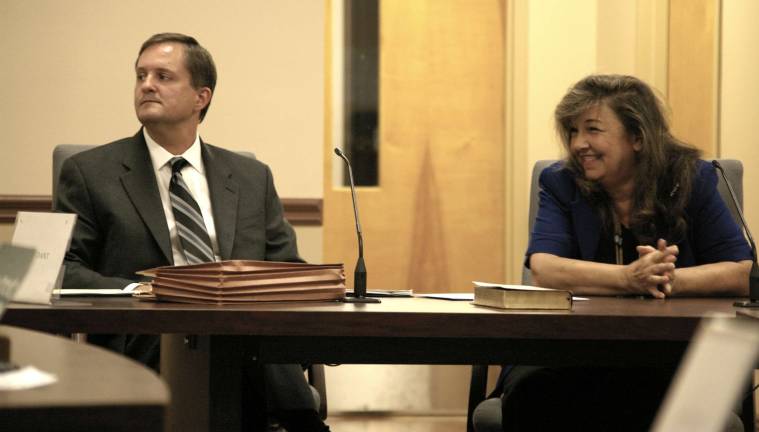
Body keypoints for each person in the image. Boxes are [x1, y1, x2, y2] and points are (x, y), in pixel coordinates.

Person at [55, 33, 329, 432]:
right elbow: (64, 268)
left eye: (163, 76)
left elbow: (286, 267)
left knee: (256, 362)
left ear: (202, 97)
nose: (147, 84)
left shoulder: (251, 177)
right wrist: (141, 292)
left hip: (244, 344)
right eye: (141, 75)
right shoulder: (90, 173)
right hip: (146, 341)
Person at [498, 74, 752, 431]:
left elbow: (743, 273)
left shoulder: (693, 179)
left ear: (637, 136)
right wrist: (629, 277)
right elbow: (544, 269)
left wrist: (669, 280)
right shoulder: (560, 182)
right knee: (533, 394)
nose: (578, 144)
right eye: (572, 131)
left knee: (664, 401)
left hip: (668, 352)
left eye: (592, 130)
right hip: (567, 350)